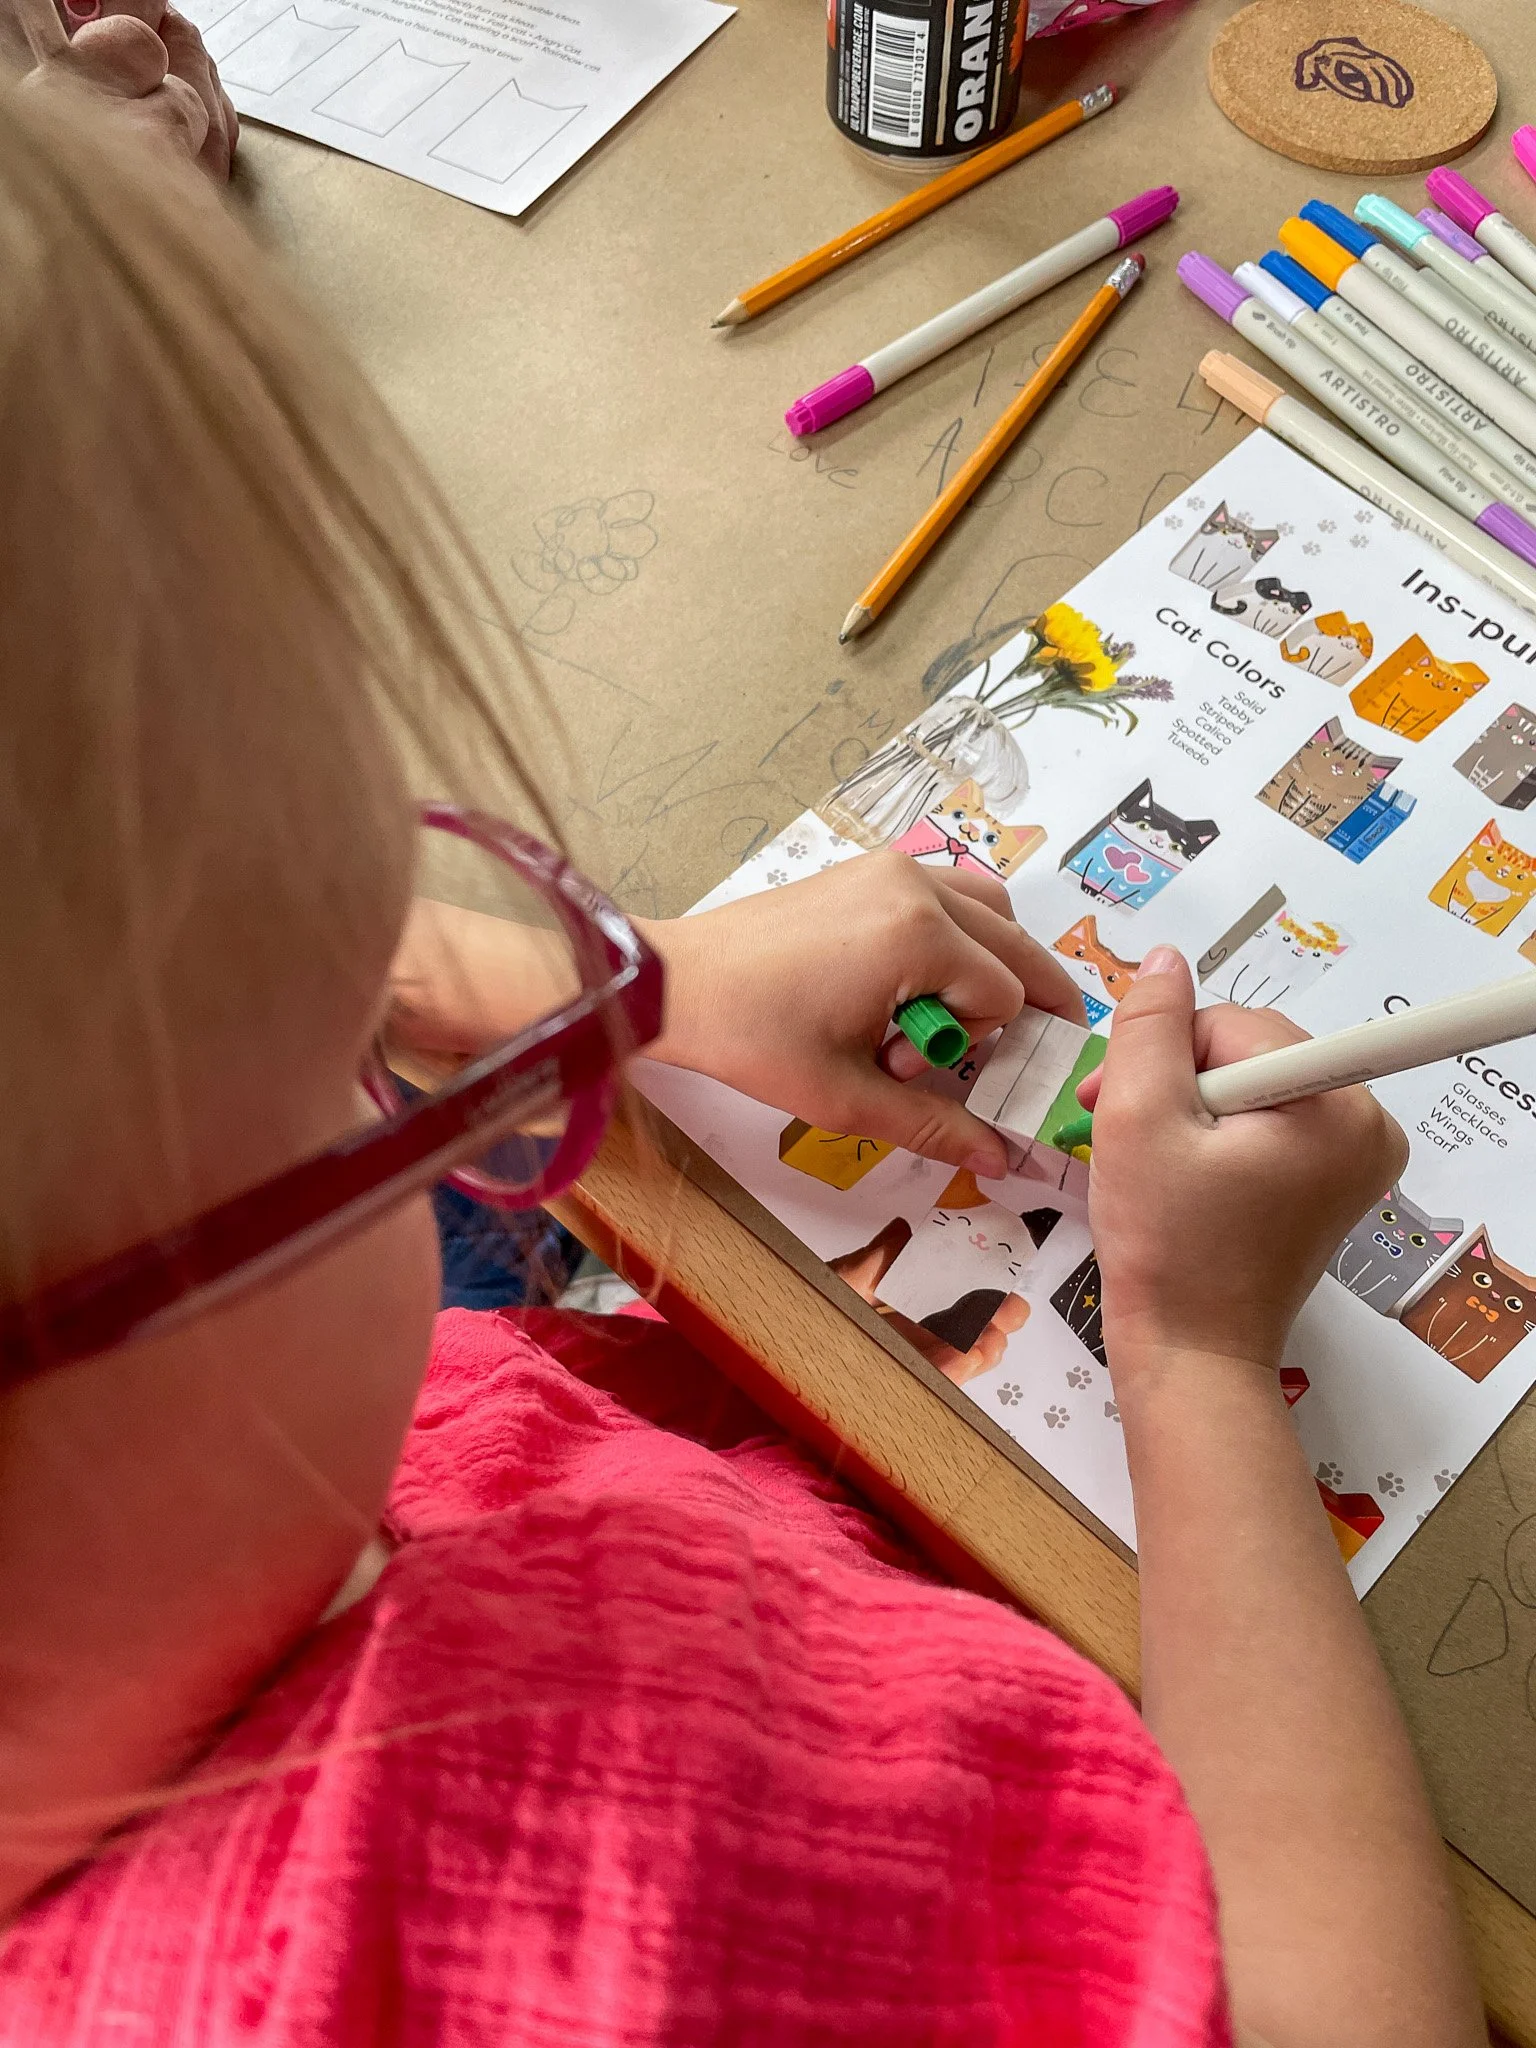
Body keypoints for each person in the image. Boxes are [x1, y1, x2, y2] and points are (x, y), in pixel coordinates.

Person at [0, 87, 1486, 2048]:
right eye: (363, 1081)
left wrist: (648, 979)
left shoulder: (133, 1544)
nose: (406, 1038)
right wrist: (1196, 1359)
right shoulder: (582, 1927)